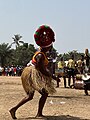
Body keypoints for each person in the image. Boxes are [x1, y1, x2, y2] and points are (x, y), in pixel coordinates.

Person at [9, 25, 56, 119]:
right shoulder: (40, 55)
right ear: (47, 47)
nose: (50, 48)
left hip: (31, 74)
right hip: (31, 75)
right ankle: (38, 113)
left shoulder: (41, 53)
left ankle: (14, 109)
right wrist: (51, 76)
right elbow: (40, 69)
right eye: (50, 47)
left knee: (30, 96)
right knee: (44, 93)